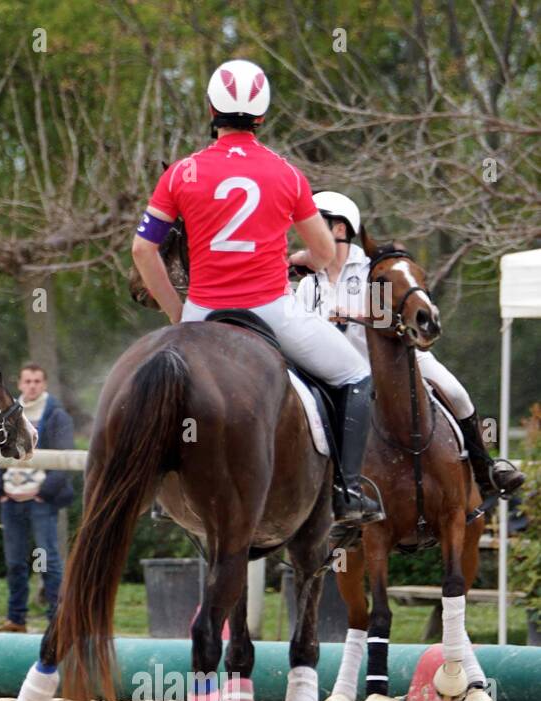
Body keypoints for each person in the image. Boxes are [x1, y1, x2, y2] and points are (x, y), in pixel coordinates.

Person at [131, 59, 383, 527]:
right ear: (262, 116)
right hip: (273, 312)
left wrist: (179, 314)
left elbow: (143, 250)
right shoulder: (287, 174)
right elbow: (326, 252)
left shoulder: (180, 174)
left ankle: (155, 486)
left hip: (203, 313)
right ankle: (347, 490)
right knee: (355, 376)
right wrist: (309, 259)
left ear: (211, 107)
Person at [293, 190, 525, 498]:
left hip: (398, 361)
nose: (307, 231)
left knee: (455, 391)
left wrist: (354, 315)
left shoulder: (372, 272)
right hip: (338, 374)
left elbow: (391, 318)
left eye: (316, 223)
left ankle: (486, 469)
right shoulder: (309, 282)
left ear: (339, 229)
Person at [0, 364, 74, 633]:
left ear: (45, 384)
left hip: (40, 501)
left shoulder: (56, 416)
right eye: (27, 381)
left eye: (37, 381)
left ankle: (57, 620)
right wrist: (1, 490)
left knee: (47, 560)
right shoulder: (9, 412)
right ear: (20, 384)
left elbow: (65, 457)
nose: (32, 386)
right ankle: (16, 619)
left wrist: (44, 493)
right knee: (15, 562)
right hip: (12, 499)